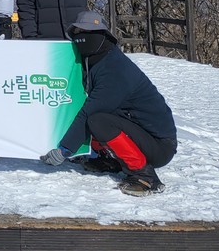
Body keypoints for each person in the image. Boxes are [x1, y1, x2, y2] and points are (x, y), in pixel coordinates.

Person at [40, 11, 177, 196]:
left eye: (89, 33)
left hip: (159, 146)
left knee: (98, 120)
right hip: (138, 132)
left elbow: (91, 111)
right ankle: (109, 160)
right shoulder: (97, 60)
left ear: (103, 35)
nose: (82, 38)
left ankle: (145, 176)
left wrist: (65, 150)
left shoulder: (115, 69)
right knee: (95, 115)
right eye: (78, 33)